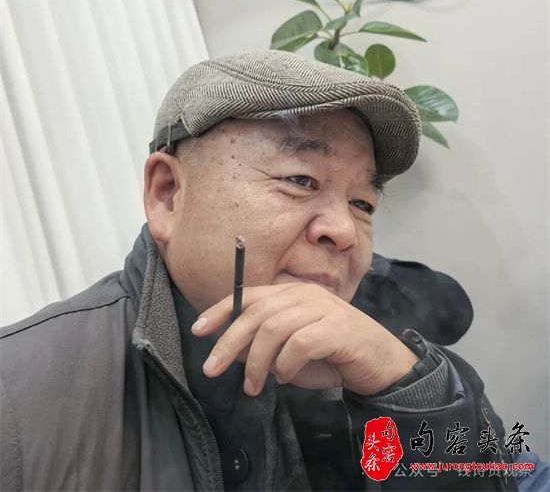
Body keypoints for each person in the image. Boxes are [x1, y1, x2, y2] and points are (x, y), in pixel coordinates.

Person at [0, 50, 518, 491]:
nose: (344, 230)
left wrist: (407, 394)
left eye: (362, 203)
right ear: (168, 195)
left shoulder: (383, 355)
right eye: (300, 179)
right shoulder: (19, 401)